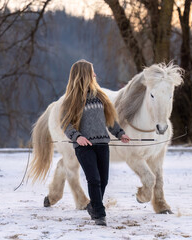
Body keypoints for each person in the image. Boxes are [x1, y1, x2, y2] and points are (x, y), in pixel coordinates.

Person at [60, 59, 130, 226]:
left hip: (102, 144)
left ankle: (93, 206)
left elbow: (110, 120)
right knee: (94, 179)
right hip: (84, 146)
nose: (95, 75)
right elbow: (65, 124)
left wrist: (120, 134)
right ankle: (99, 214)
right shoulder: (71, 100)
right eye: (92, 72)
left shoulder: (100, 96)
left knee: (103, 180)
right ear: (84, 74)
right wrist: (77, 137)